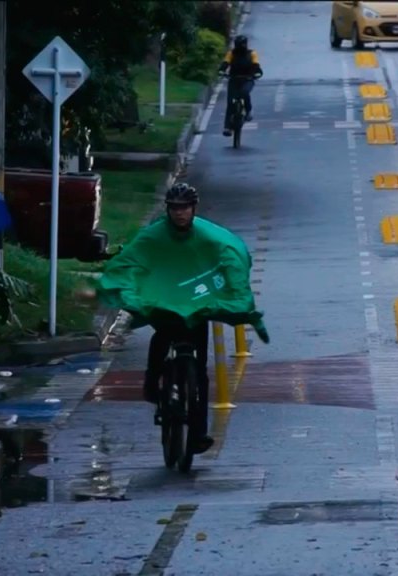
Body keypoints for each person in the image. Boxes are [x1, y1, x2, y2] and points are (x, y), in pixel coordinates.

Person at [141, 183, 218, 455]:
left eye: (184, 208)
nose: (179, 213)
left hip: (196, 309)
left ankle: (198, 433)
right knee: (160, 339)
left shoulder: (205, 238)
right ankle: (152, 385)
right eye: (174, 208)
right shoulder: (157, 237)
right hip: (167, 304)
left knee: (200, 373)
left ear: (193, 209)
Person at [218, 35, 263, 137]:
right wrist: (221, 70)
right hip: (234, 79)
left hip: (248, 79)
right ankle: (227, 127)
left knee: (245, 92)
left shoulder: (252, 54)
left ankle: (248, 111)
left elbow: (256, 65)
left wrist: (257, 73)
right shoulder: (231, 54)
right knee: (230, 103)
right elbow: (225, 63)